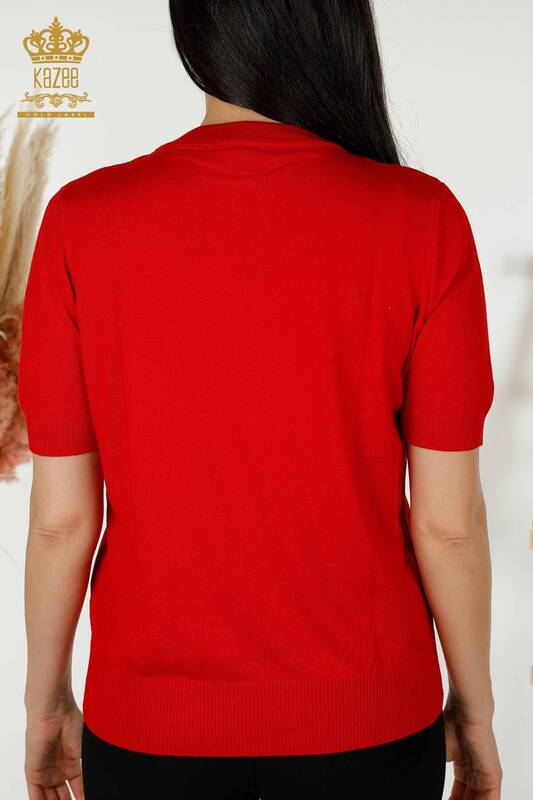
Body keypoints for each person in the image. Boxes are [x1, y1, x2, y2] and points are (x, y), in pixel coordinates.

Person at [19, 2, 503, 799]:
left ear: (192, 32)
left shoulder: (82, 220)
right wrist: (475, 713)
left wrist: (44, 708)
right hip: (370, 726)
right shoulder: (421, 219)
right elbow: (446, 524)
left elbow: (61, 522)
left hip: (149, 732)